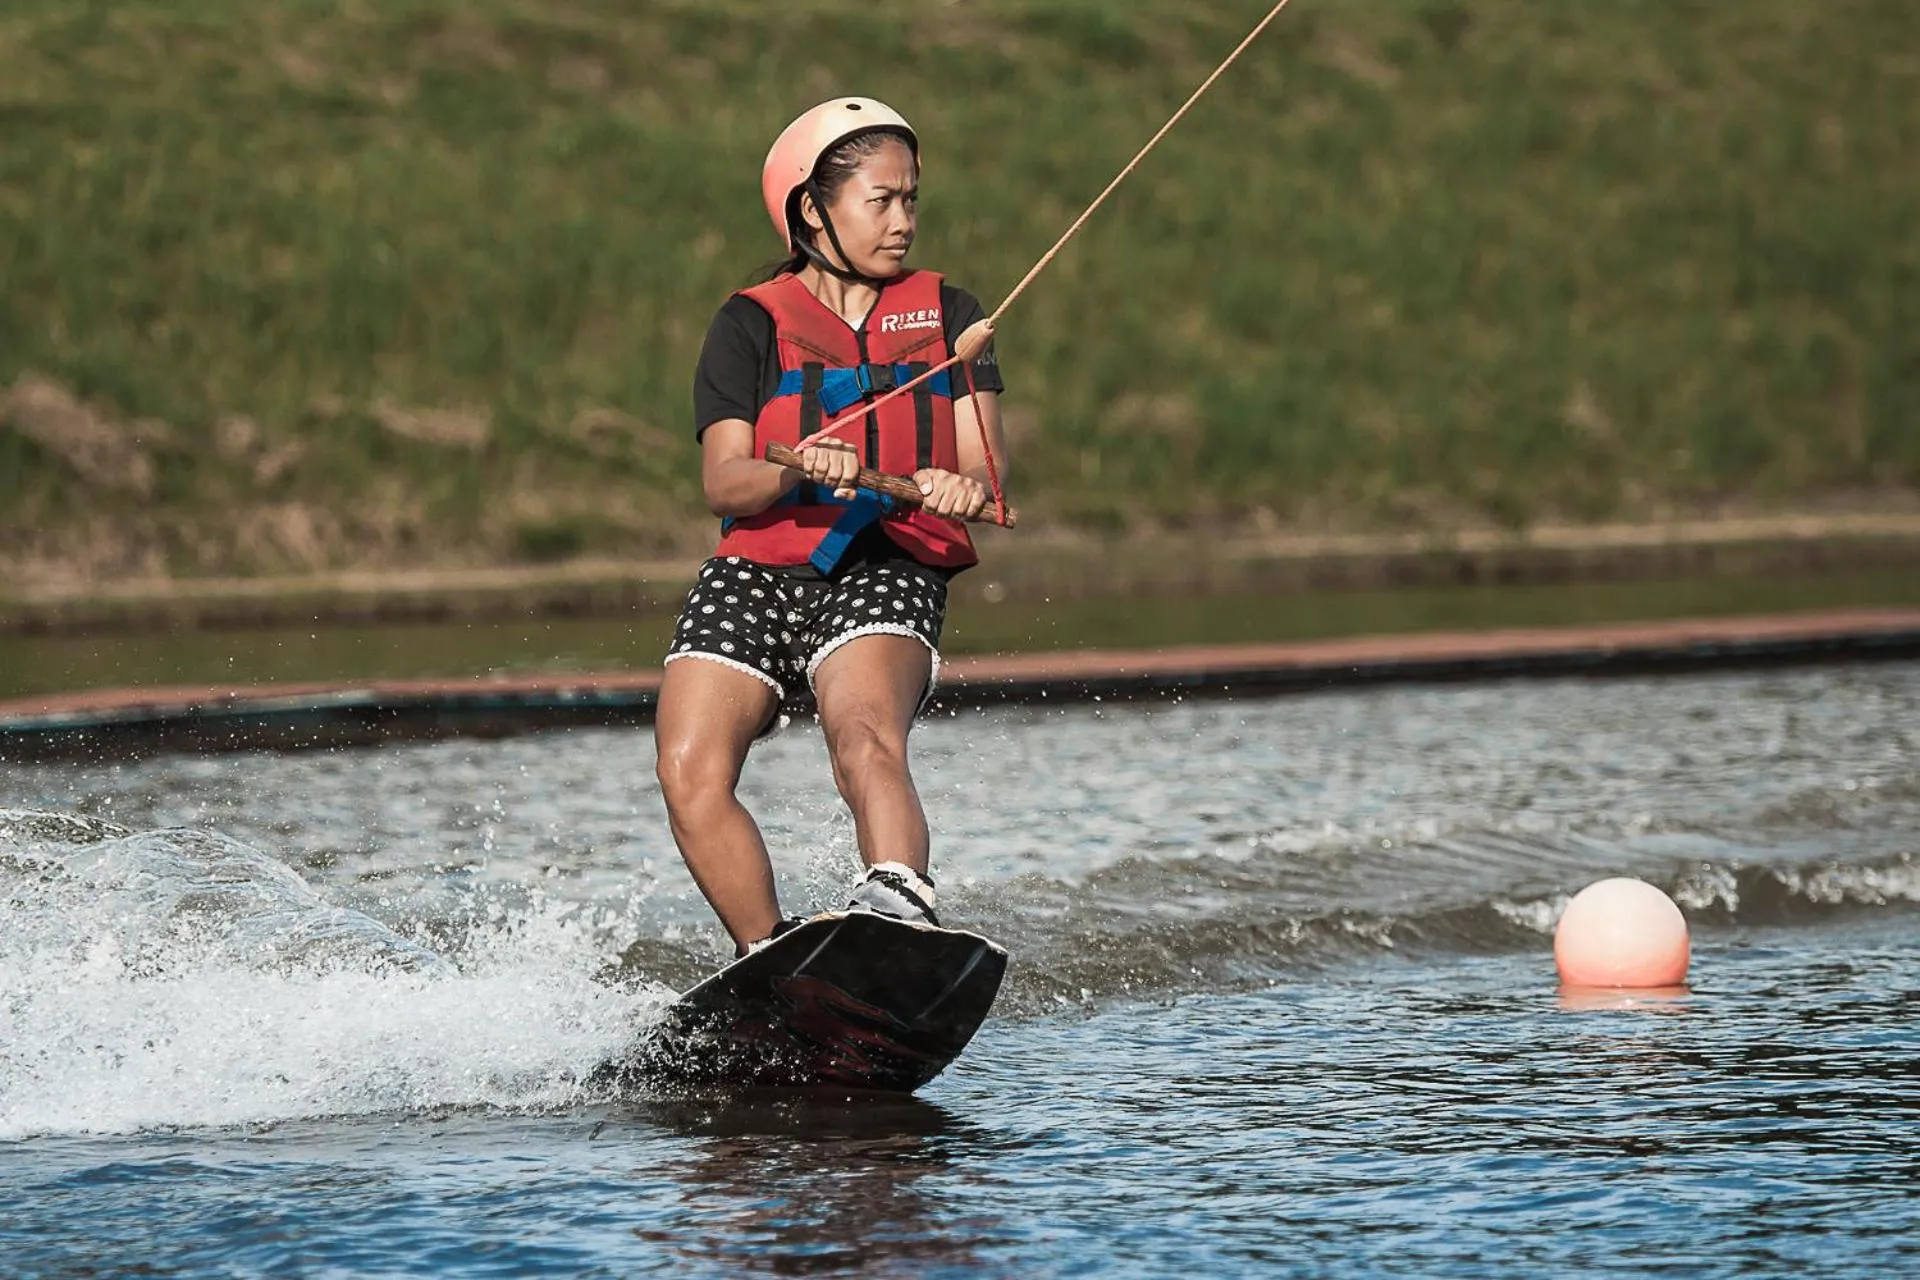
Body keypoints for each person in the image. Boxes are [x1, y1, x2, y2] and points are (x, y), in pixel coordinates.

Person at [655, 98, 1010, 958]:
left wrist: (952, 488)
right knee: (688, 770)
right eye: (880, 201)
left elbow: (982, 466)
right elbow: (726, 482)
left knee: (861, 731)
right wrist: (799, 463)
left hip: (887, 557)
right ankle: (767, 958)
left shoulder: (952, 315)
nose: (903, 221)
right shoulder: (749, 324)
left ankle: (895, 909)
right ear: (814, 209)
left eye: (911, 200)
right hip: (759, 565)